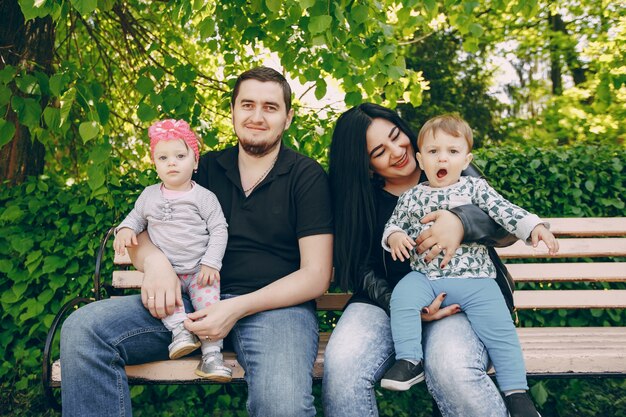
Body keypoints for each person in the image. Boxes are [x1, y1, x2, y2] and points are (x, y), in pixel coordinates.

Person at [60, 66, 334, 417]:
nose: (257, 116)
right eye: (247, 104)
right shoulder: (202, 168)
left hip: (275, 312)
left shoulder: (305, 176)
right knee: (84, 331)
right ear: (232, 110)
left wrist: (235, 308)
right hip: (190, 302)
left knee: (283, 404)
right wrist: (156, 263)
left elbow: (316, 275)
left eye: (270, 107)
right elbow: (141, 230)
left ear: (288, 117)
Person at [323, 103, 521, 417]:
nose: (396, 150)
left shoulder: (445, 161)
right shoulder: (358, 197)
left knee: (452, 368)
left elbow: (505, 228)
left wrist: (461, 222)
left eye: (395, 136)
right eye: (379, 151)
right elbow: (359, 265)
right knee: (343, 366)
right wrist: (402, 305)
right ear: (366, 165)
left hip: (460, 292)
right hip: (384, 301)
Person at [379, 114, 557, 417]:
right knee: (403, 296)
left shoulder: (476, 189)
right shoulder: (411, 197)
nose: (442, 158)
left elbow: (506, 212)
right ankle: (410, 360)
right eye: (433, 152)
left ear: (466, 159)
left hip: (477, 281)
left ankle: (517, 392)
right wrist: (394, 236)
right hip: (427, 277)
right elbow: (393, 225)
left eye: (452, 151)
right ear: (421, 160)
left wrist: (534, 226)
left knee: (501, 331)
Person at [113, 118, 231, 381]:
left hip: (201, 272)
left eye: (180, 155)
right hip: (169, 275)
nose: (172, 162)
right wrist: (125, 230)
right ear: (155, 164)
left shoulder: (203, 197)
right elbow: (135, 218)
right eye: (163, 157)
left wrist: (211, 262)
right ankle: (180, 334)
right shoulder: (149, 195)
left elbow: (219, 229)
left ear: (195, 161)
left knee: (208, 310)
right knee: (163, 301)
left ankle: (212, 356)